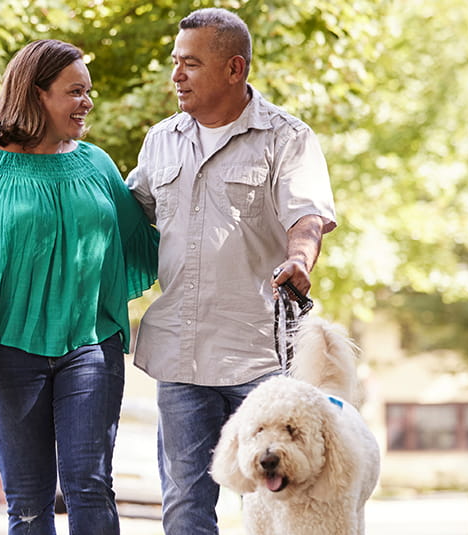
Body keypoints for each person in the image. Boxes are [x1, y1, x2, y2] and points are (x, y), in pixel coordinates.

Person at [0, 39, 158, 535]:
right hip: (7, 354)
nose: (86, 102)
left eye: (88, 92)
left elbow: (147, 235)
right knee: (27, 501)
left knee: (90, 485)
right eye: (74, 92)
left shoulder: (97, 164)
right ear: (36, 93)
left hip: (91, 346)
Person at [124, 8, 337, 535]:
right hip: (181, 354)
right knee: (184, 504)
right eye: (176, 63)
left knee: (273, 508)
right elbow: (128, 215)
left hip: (261, 357)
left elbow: (307, 216)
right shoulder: (161, 140)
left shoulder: (287, 138)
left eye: (190, 64)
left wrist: (299, 260)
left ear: (234, 68)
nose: (176, 76)